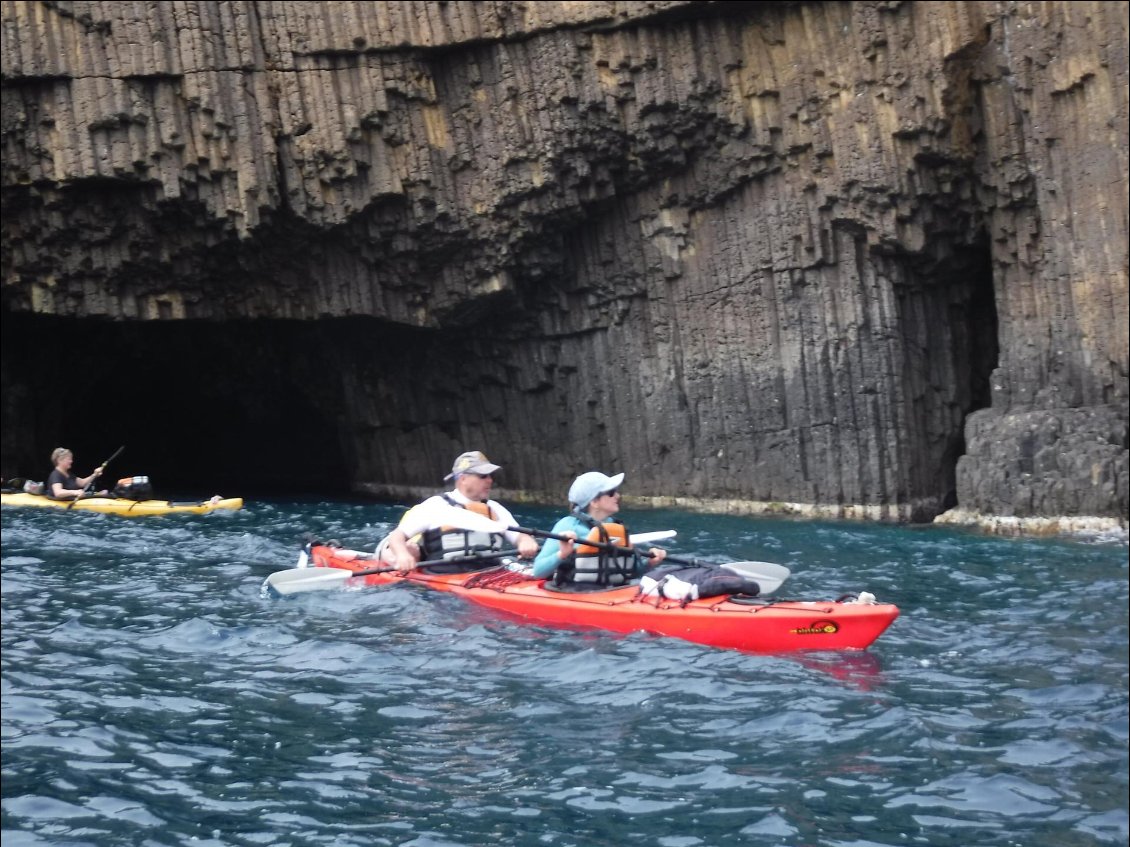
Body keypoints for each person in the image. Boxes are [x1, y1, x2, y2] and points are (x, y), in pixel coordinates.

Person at [379, 451, 540, 572]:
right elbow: (397, 537)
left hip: (490, 575)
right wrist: (402, 555)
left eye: (490, 476)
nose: (490, 480)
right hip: (443, 581)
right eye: (483, 476)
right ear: (463, 479)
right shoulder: (436, 506)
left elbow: (520, 535)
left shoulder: (495, 509)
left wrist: (526, 542)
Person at [531, 470, 667, 585]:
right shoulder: (568, 526)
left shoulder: (615, 527)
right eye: (611, 492)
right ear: (594, 502)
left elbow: (632, 571)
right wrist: (562, 554)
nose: (617, 496)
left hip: (613, 593)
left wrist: (650, 562)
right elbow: (538, 572)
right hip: (574, 593)